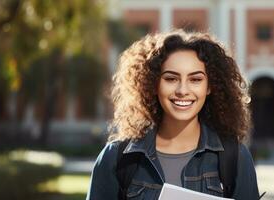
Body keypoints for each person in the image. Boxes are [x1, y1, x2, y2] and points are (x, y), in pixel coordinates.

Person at [87, 30, 260, 200]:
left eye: (195, 79)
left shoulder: (234, 157)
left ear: (209, 87)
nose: (182, 90)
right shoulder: (117, 158)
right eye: (171, 79)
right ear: (153, 84)